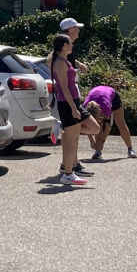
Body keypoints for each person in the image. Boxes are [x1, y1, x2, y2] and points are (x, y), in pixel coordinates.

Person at [45, 33, 90, 186]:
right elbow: (64, 88)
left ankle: (61, 126)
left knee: (85, 133)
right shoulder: (59, 63)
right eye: (70, 42)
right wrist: (73, 109)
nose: (72, 44)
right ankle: (68, 174)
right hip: (67, 104)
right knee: (72, 141)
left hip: (73, 102)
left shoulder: (64, 60)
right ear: (64, 45)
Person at [85, 84, 137, 160]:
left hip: (112, 96)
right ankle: (98, 151)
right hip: (98, 94)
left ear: (100, 112)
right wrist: (91, 141)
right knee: (98, 124)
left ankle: (130, 149)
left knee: (121, 123)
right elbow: (86, 125)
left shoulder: (106, 106)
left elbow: (108, 126)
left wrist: (102, 142)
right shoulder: (85, 107)